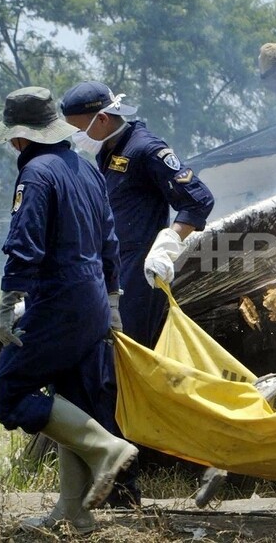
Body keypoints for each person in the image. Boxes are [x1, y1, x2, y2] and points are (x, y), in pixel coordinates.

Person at [0, 86, 138, 534]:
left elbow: (25, 242)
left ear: (19, 137)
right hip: (91, 298)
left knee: (11, 392)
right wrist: (111, 301)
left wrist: (9, 302)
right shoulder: (87, 170)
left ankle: (106, 449)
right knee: (74, 398)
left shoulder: (36, 174)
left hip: (59, 299)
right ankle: (74, 511)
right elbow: (111, 242)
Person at [60, 81, 215, 506]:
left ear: (102, 119)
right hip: (111, 276)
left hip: (139, 278)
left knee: (119, 376)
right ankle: (120, 478)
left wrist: (168, 243)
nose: (78, 136)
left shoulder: (147, 149)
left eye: (79, 127)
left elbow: (198, 200)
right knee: (109, 374)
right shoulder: (109, 150)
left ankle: (124, 484)